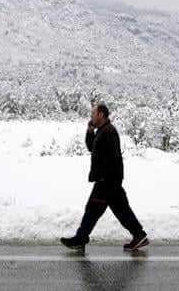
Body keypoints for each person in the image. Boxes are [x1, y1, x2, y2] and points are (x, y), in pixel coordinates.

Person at [60, 103, 148, 251]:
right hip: (109, 181)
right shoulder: (102, 131)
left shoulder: (109, 131)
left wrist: (104, 178)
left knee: (92, 211)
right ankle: (139, 235)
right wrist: (89, 131)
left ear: (101, 114)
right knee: (121, 210)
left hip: (107, 181)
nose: (91, 116)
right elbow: (91, 148)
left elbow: (113, 157)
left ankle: (80, 239)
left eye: (93, 114)